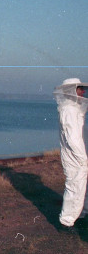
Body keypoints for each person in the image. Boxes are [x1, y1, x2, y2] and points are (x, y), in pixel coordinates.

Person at [53, 78, 88, 231]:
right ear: (71, 90)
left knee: (82, 186)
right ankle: (66, 222)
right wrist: (82, 157)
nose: (83, 91)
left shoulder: (74, 108)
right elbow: (72, 138)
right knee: (74, 186)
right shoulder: (68, 110)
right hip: (74, 157)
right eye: (80, 88)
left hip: (79, 155)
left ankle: (80, 214)